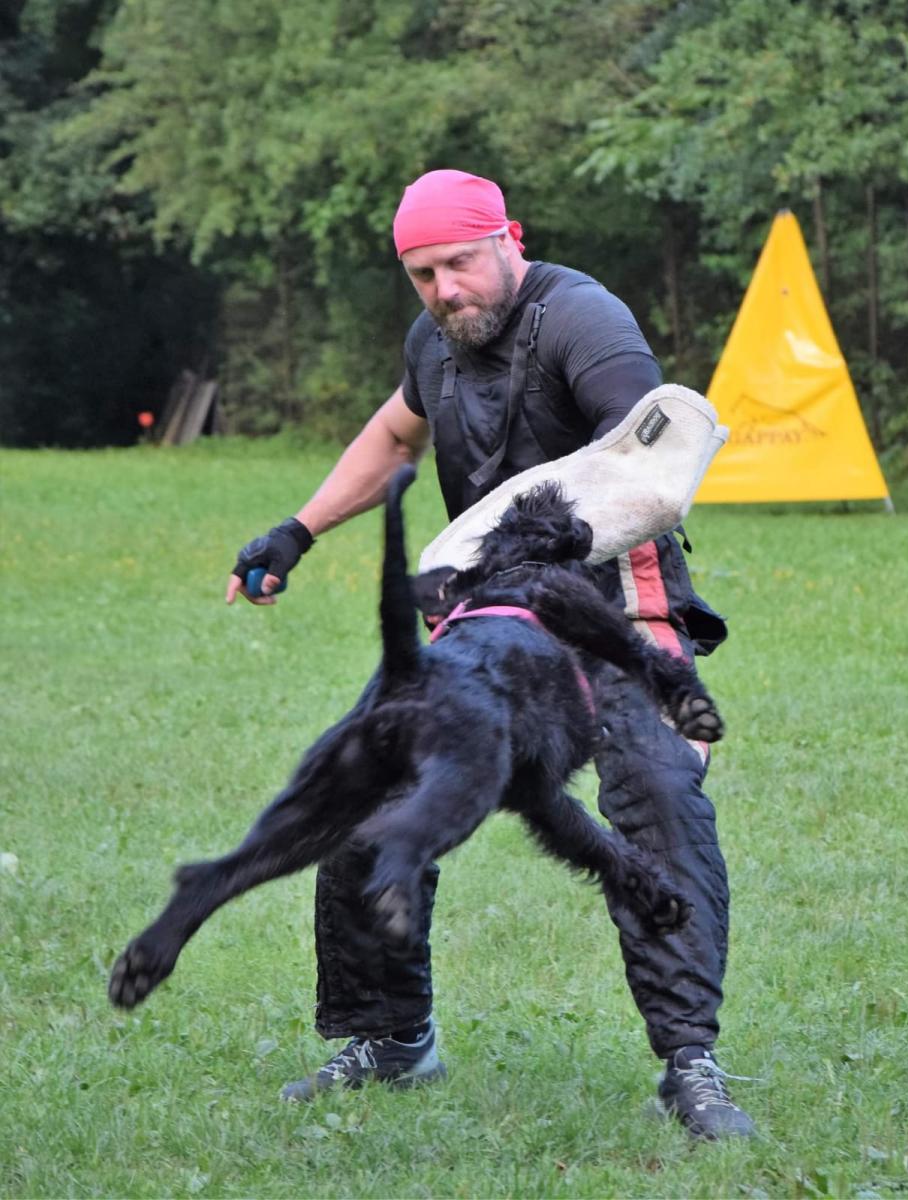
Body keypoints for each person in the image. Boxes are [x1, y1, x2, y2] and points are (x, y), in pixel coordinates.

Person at [226, 169, 754, 1140]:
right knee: (359, 786)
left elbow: (649, 453)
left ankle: (690, 1064)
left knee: (656, 798)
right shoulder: (433, 341)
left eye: (459, 262)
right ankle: (392, 1040)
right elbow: (395, 433)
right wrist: (297, 530)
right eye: (422, 273)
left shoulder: (580, 320)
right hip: (487, 623)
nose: (444, 288)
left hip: (609, 612)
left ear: (507, 237)